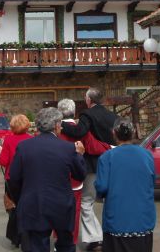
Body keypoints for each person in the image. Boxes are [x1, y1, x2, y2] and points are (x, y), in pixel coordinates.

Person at [9, 107, 86, 252]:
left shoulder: (24, 147)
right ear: (56, 125)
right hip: (61, 205)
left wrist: (21, 198)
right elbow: (80, 175)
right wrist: (80, 155)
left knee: (36, 246)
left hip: (33, 203)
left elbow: (13, 178)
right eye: (60, 125)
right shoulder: (68, 148)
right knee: (66, 246)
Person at [61, 87, 117, 251]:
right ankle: (111, 236)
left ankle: (95, 238)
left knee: (86, 202)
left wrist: (61, 124)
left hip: (91, 165)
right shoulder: (113, 116)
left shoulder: (87, 115)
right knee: (109, 201)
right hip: (109, 162)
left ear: (88, 100)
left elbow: (80, 132)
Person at [95, 118, 156, 252]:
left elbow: (101, 187)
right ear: (133, 133)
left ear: (114, 133)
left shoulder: (107, 157)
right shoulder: (147, 155)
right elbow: (151, 182)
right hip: (143, 220)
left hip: (117, 221)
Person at [0, 114, 33, 248]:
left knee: (13, 208)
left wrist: (0, 152)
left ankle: (15, 237)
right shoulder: (31, 139)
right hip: (28, 178)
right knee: (27, 208)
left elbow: (3, 161)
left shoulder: (8, 139)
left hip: (11, 179)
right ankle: (26, 236)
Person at [56, 98, 84, 246]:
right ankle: (71, 241)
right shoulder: (81, 129)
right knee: (75, 211)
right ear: (74, 111)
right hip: (75, 177)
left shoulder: (55, 131)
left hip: (57, 177)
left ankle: (58, 240)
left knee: (57, 210)